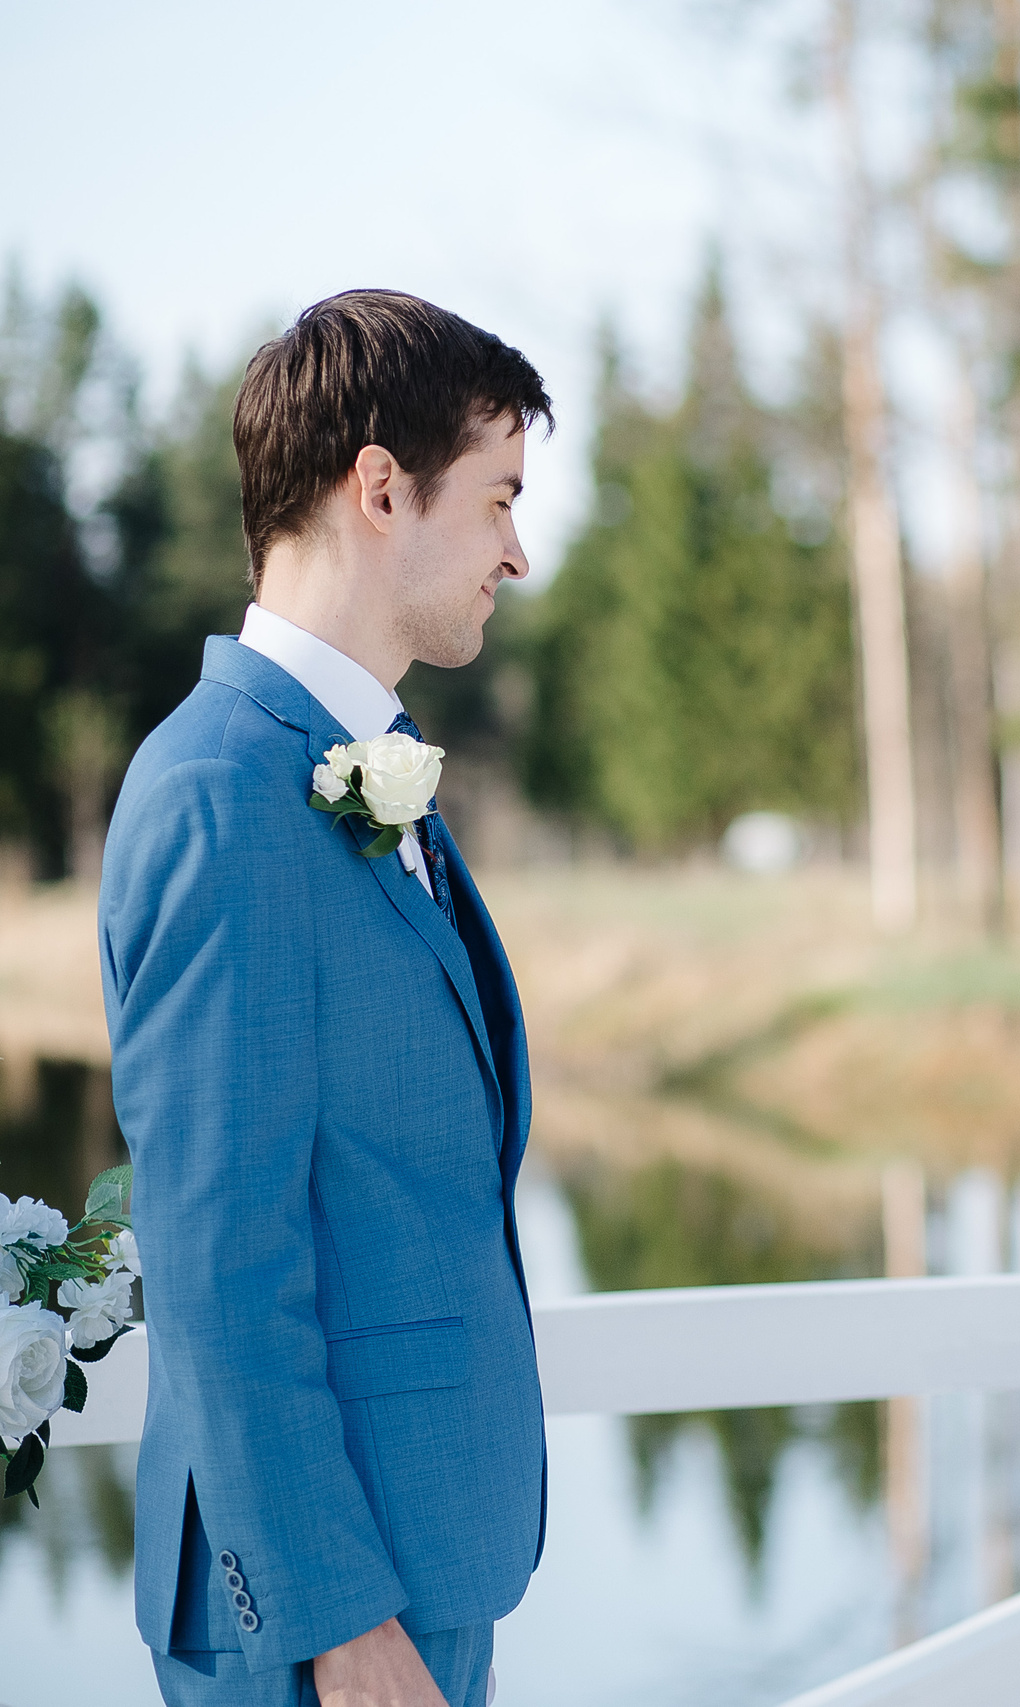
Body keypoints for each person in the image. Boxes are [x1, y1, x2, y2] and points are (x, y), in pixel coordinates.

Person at [97, 291, 551, 1707]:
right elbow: (219, 1258)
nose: (518, 552)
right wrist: (338, 1617)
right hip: (321, 1614)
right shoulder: (219, 795)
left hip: (419, 1561)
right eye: (497, 501)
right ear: (378, 489)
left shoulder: (355, 756)